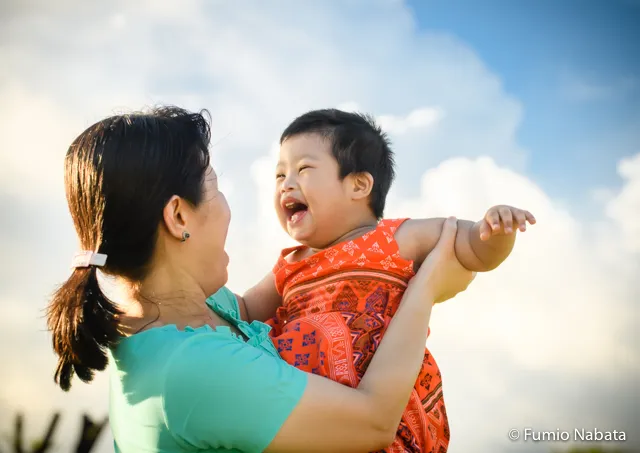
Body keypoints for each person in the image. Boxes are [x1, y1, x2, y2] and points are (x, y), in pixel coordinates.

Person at [46, 106, 476, 453]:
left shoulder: (205, 313)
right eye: (214, 186)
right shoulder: (195, 369)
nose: (230, 207)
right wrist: (424, 290)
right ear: (179, 217)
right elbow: (373, 422)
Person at [236, 109, 536, 452]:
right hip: (312, 413)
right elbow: (243, 311)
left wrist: (496, 230)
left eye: (303, 169)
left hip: (386, 408)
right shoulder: (290, 264)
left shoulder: (394, 236)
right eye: (279, 175)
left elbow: (471, 247)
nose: (286, 183)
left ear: (359, 185)